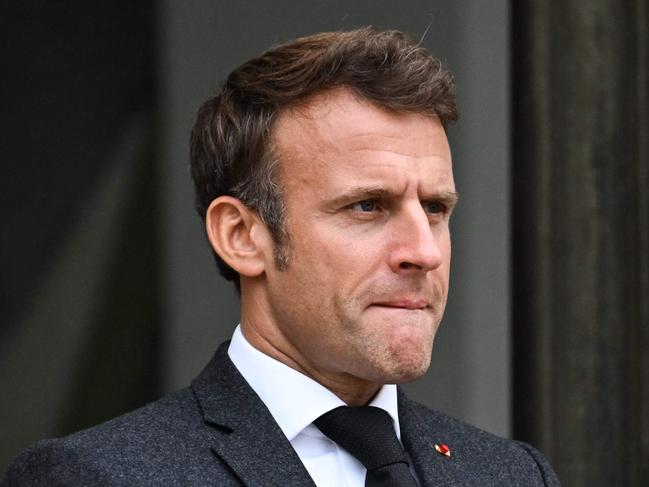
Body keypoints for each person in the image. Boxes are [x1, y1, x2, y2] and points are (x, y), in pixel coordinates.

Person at [1, 27, 559, 486]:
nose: (423, 251)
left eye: (436, 208)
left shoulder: (511, 475)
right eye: (368, 206)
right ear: (241, 236)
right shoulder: (97, 476)